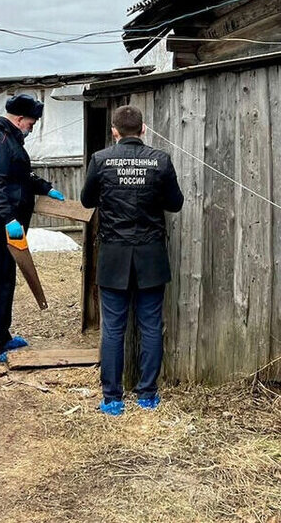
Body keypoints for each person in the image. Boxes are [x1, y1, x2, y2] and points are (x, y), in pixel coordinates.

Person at [80, 105, 184, 415]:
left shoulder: (100, 160)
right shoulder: (160, 160)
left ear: (114, 131)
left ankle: (112, 398)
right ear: (143, 129)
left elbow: (87, 201)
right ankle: (147, 395)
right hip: (150, 253)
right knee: (150, 325)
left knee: (113, 328)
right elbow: (175, 203)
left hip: (114, 254)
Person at [0, 93, 66, 363]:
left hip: (7, 226)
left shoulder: (9, 140)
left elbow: (19, 175)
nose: (32, 128)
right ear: (20, 118)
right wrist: (8, 219)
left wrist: (45, 187)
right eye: (31, 123)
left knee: (6, 280)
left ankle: (3, 336)